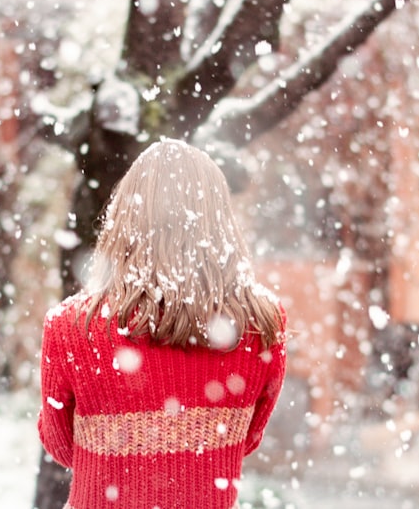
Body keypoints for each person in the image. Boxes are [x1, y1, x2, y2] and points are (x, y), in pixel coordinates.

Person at [37, 138, 286, 509]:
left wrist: (124, 451)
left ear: (123, 219)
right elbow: (247, 439)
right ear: (220, 223)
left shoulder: (70, 326)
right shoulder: (261, 324)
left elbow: (59, 444)